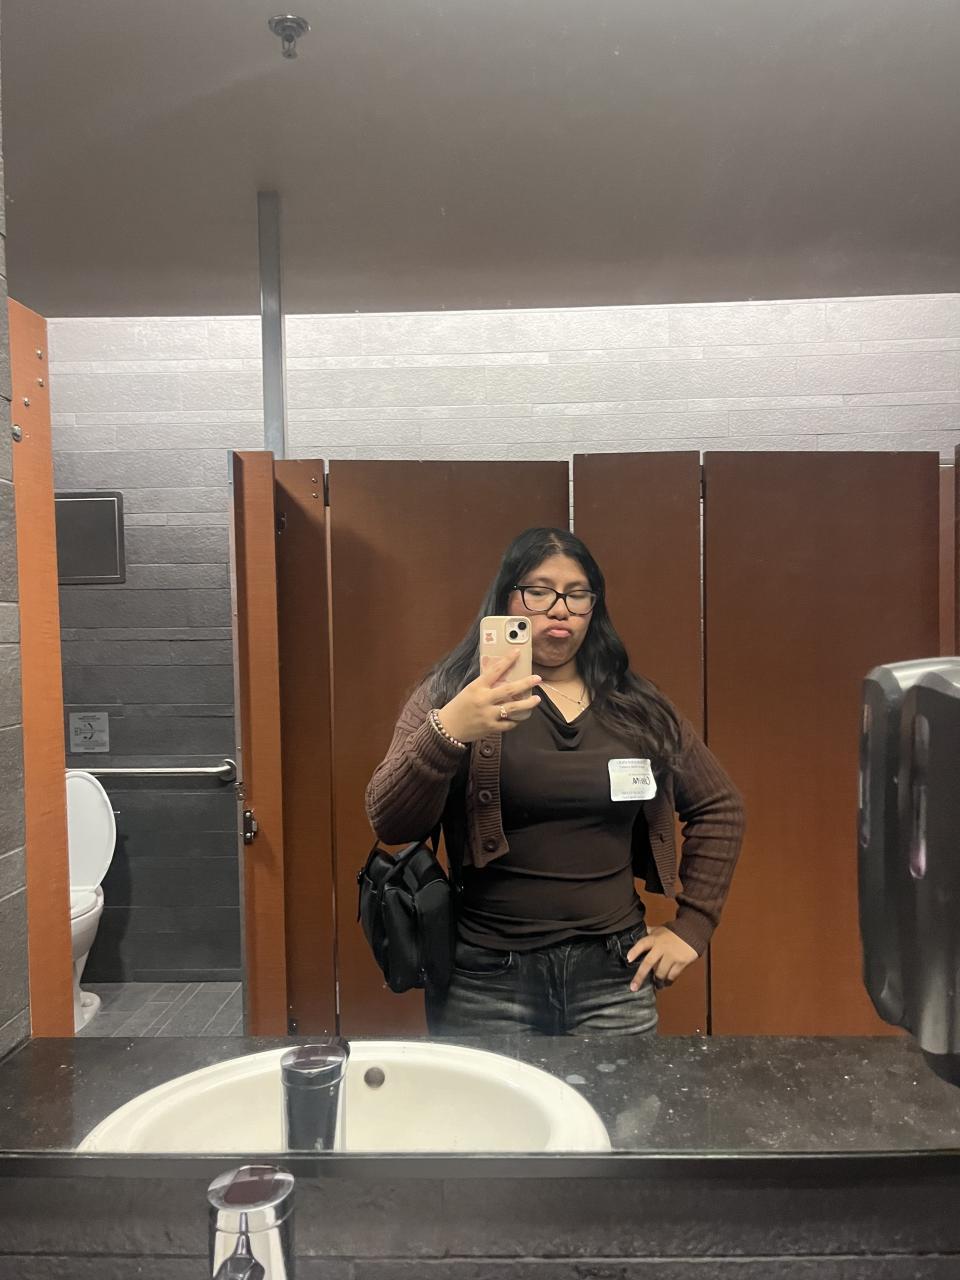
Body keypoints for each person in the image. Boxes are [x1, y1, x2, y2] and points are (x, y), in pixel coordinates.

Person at [365, 527, 745, 1036]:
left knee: (618, 1094)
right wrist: (448, 730)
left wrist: (691, 928)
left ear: (593, 607)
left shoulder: (636, 705)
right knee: (492, 1096)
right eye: (539, 592)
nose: (559, 609)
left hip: (614, 977)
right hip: (484, 981)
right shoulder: (452, 693)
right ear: (506, 599)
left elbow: (720, 807)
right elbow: (390, 821)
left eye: (577, 594)